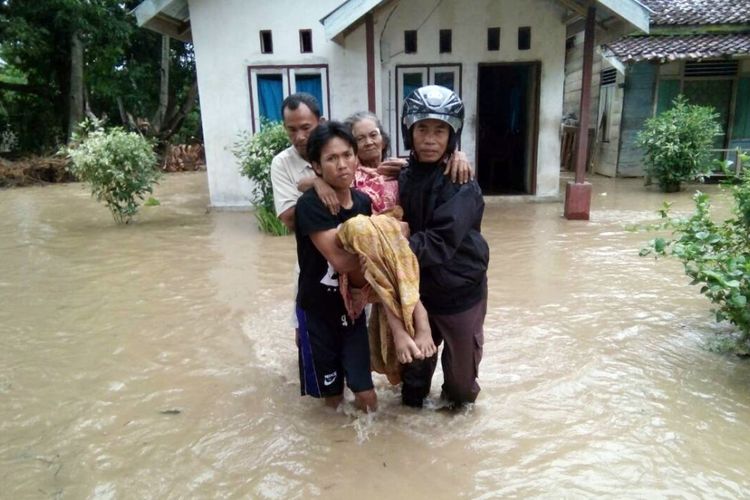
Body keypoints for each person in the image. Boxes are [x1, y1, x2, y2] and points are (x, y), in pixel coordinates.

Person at [397, 85, 489, 408]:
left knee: (461, 391)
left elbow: (439, 242)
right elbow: (355, 174)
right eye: (422, 128)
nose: (430, 139)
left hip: (460, 292)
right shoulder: (404, 175)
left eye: (440, 130)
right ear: (409, 130)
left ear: (453, 136)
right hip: (419, 294)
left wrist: (390, 242)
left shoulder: (461, 181)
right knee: (412, 387)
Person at [293, 120, 377, 412]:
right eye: (331, 158)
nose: (342, 165)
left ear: (356, 157)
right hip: (317, 313)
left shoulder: (364, 202)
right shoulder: (310, 205)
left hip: (351, 313)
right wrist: (381, 251)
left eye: (347, 155)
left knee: (366, 395)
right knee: (332, 399)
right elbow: (341, 260)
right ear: (316, 167)